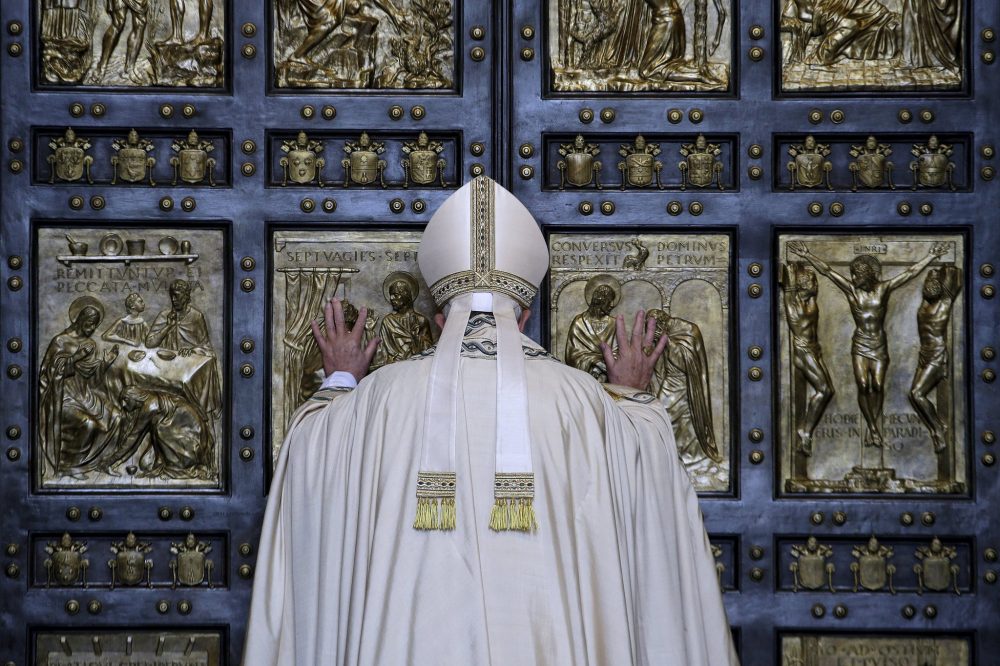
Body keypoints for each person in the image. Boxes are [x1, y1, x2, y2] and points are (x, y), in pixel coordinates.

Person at [244, 176, 738, 664]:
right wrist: (630, 394)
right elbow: (646, 480)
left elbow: (311, 463)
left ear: (439, 318)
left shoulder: (380, 395)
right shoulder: (582, 398)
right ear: (523, 316)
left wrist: (341, 382)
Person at [789, 240, 947, 448]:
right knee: (863, 385)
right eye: (852, 274)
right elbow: (827, 271)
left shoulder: (884, 289)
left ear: (867, 275)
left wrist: (931, 257)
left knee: (878, 385)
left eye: (856, 274)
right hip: (860, 344)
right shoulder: (852, 291)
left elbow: (909, 274)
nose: (853, 278)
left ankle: (874, 427)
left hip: (879, 344)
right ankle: (873, 428)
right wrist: (808, 255)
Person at [564, 273, 620, 381]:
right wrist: (595, 362)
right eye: (610, 300)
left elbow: (618, 353)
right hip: (584, 380)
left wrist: (600, 369)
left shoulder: (613, 323)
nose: (612, 304)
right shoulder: (579, 322)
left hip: (609, 380)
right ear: (600, 300)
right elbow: (572, 355)